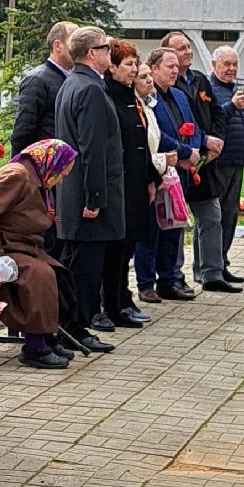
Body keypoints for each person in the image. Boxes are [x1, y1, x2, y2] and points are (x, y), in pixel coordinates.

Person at [0, 140, 90, 368]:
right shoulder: (18, 175)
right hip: (8, 247)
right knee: (40, 277)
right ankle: (35, 346)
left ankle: (49, 336)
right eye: (62, 173)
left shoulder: (40, 180)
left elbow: (46, 215)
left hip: (29, 246)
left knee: (59, 274)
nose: (61, 179)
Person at [52, 26, 123, 352]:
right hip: (86, 195)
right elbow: (91, 147)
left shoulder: (72, 83)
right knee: (84, 270)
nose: (110, 53)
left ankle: (71, 326)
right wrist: (95, 197)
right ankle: (76, 328)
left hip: (72, 192)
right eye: (106, 48)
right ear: (92, 53)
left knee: (76, 265)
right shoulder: (90, 88)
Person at [163, 32, 237, 294]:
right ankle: (175, 275)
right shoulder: (167, 87)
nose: (188, 52)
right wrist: (201, 142)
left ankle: (211, 272)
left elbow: (217, 112)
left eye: (188, 47)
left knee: (211, 216)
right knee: (178, 219)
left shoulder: (199, 80)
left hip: (206, 162)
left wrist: (216, 141)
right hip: (182, 160)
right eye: (181, 48)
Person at [102, 40, 155, 329]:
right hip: (119, 181)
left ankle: (124, 297)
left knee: (130, 244)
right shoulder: (109, 96)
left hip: (137, 181)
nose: (134, 69)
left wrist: (151, 178)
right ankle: (114, 302)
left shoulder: (131, 96)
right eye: (128, 64)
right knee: (117, 248)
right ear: (112, 67)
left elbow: (141, 142)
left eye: (136, 63)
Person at [146, 47, 201, 303]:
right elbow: (155, 134)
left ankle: (169, 279)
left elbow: (194, 125)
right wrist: (184, 150)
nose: (175, 70)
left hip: (181, 171)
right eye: (169, 66)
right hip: (160, 167)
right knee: (153, 229)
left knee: (174, 226)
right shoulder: (149, 98)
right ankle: (147, 283)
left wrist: (195, 149)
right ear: (154, 68)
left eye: (176, 66)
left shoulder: (179, 95)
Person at [206, 47, 244, 284]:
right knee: (213, 217)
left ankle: (222, 261)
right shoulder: (210, 90)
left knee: (229, 216)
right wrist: (232, 106)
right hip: (219, 163)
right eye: (226, 64)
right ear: (214, 65)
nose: (232, 69)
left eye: (235, 64)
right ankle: (209, 266)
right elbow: (211, 120)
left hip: (237, 161)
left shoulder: (234, 90)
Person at [132, 62, 178, 304]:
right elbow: (138, 147)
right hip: (144, 175)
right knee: (145, 234)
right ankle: (145, 284)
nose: (149, 81)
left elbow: (156, 137)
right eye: (143, 77)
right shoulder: (135, 107)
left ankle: (165, 278)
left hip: (156, 172)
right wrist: (162, 160)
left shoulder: (149, 105)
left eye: (150, 76)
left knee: (161, 229)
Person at [10, 21, 76, 156]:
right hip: (42, 167)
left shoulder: (70, 79)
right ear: (58, 46)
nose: (80, 47)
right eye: (75, 41)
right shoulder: (37, 80)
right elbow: (22, 133)